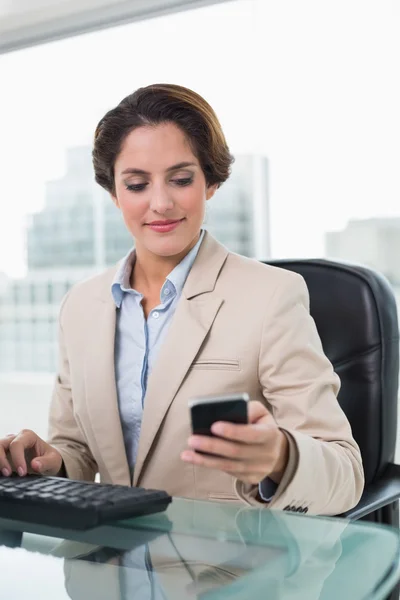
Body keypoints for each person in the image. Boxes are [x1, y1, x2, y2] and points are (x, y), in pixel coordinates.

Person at [0, 83, 364, 515]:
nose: (161, 203)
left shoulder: (271, 296)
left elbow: (346, 472)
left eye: (181, 179)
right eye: (136, 184)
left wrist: (280, 457)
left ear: (210, 182)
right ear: (114, 193)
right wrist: (48, 461)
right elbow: (79, 452)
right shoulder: (79, 307)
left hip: (231, 571)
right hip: (111, 569)